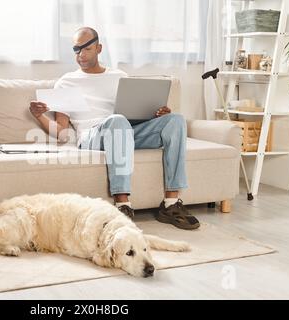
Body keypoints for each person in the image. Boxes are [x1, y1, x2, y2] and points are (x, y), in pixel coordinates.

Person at [29, 27, 199, 230]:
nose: (80, 54)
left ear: (99, 48)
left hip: (125, 131)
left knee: (175, 120)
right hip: (92, 137)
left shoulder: (119, 76)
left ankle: (171, 204)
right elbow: (62, 133)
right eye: (76, 50)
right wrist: (39, 115)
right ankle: (122, 205)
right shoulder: (66, 82)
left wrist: (155, 115)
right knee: (116, 121)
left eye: (86, 49)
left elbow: (132, 115)